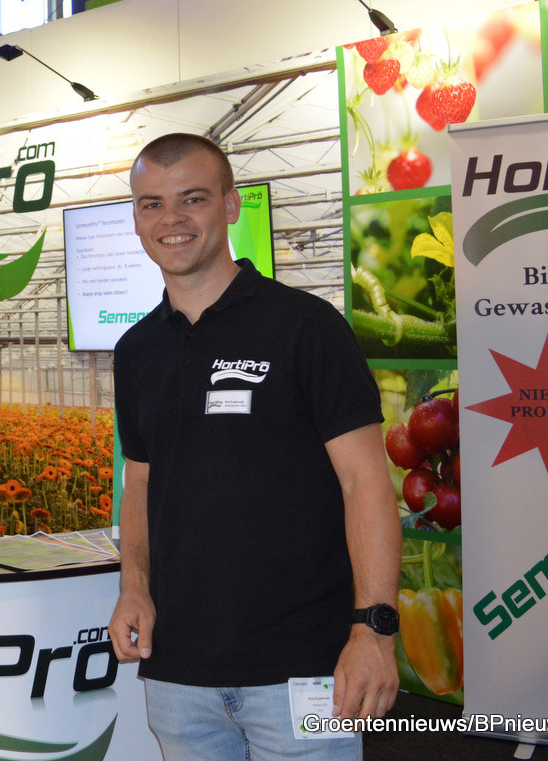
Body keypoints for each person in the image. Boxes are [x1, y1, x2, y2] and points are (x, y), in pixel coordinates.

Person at [107, 133, 401, 759]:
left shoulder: (306, 327)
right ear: (135, 217)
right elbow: (142, 482)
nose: (171, 219)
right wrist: (134, 586)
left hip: (306, 671)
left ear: (231, 204)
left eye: (192, 198)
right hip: (178, 672)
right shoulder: (137, 351)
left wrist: (374, 628)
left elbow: (366, 482)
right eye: (152, 204)